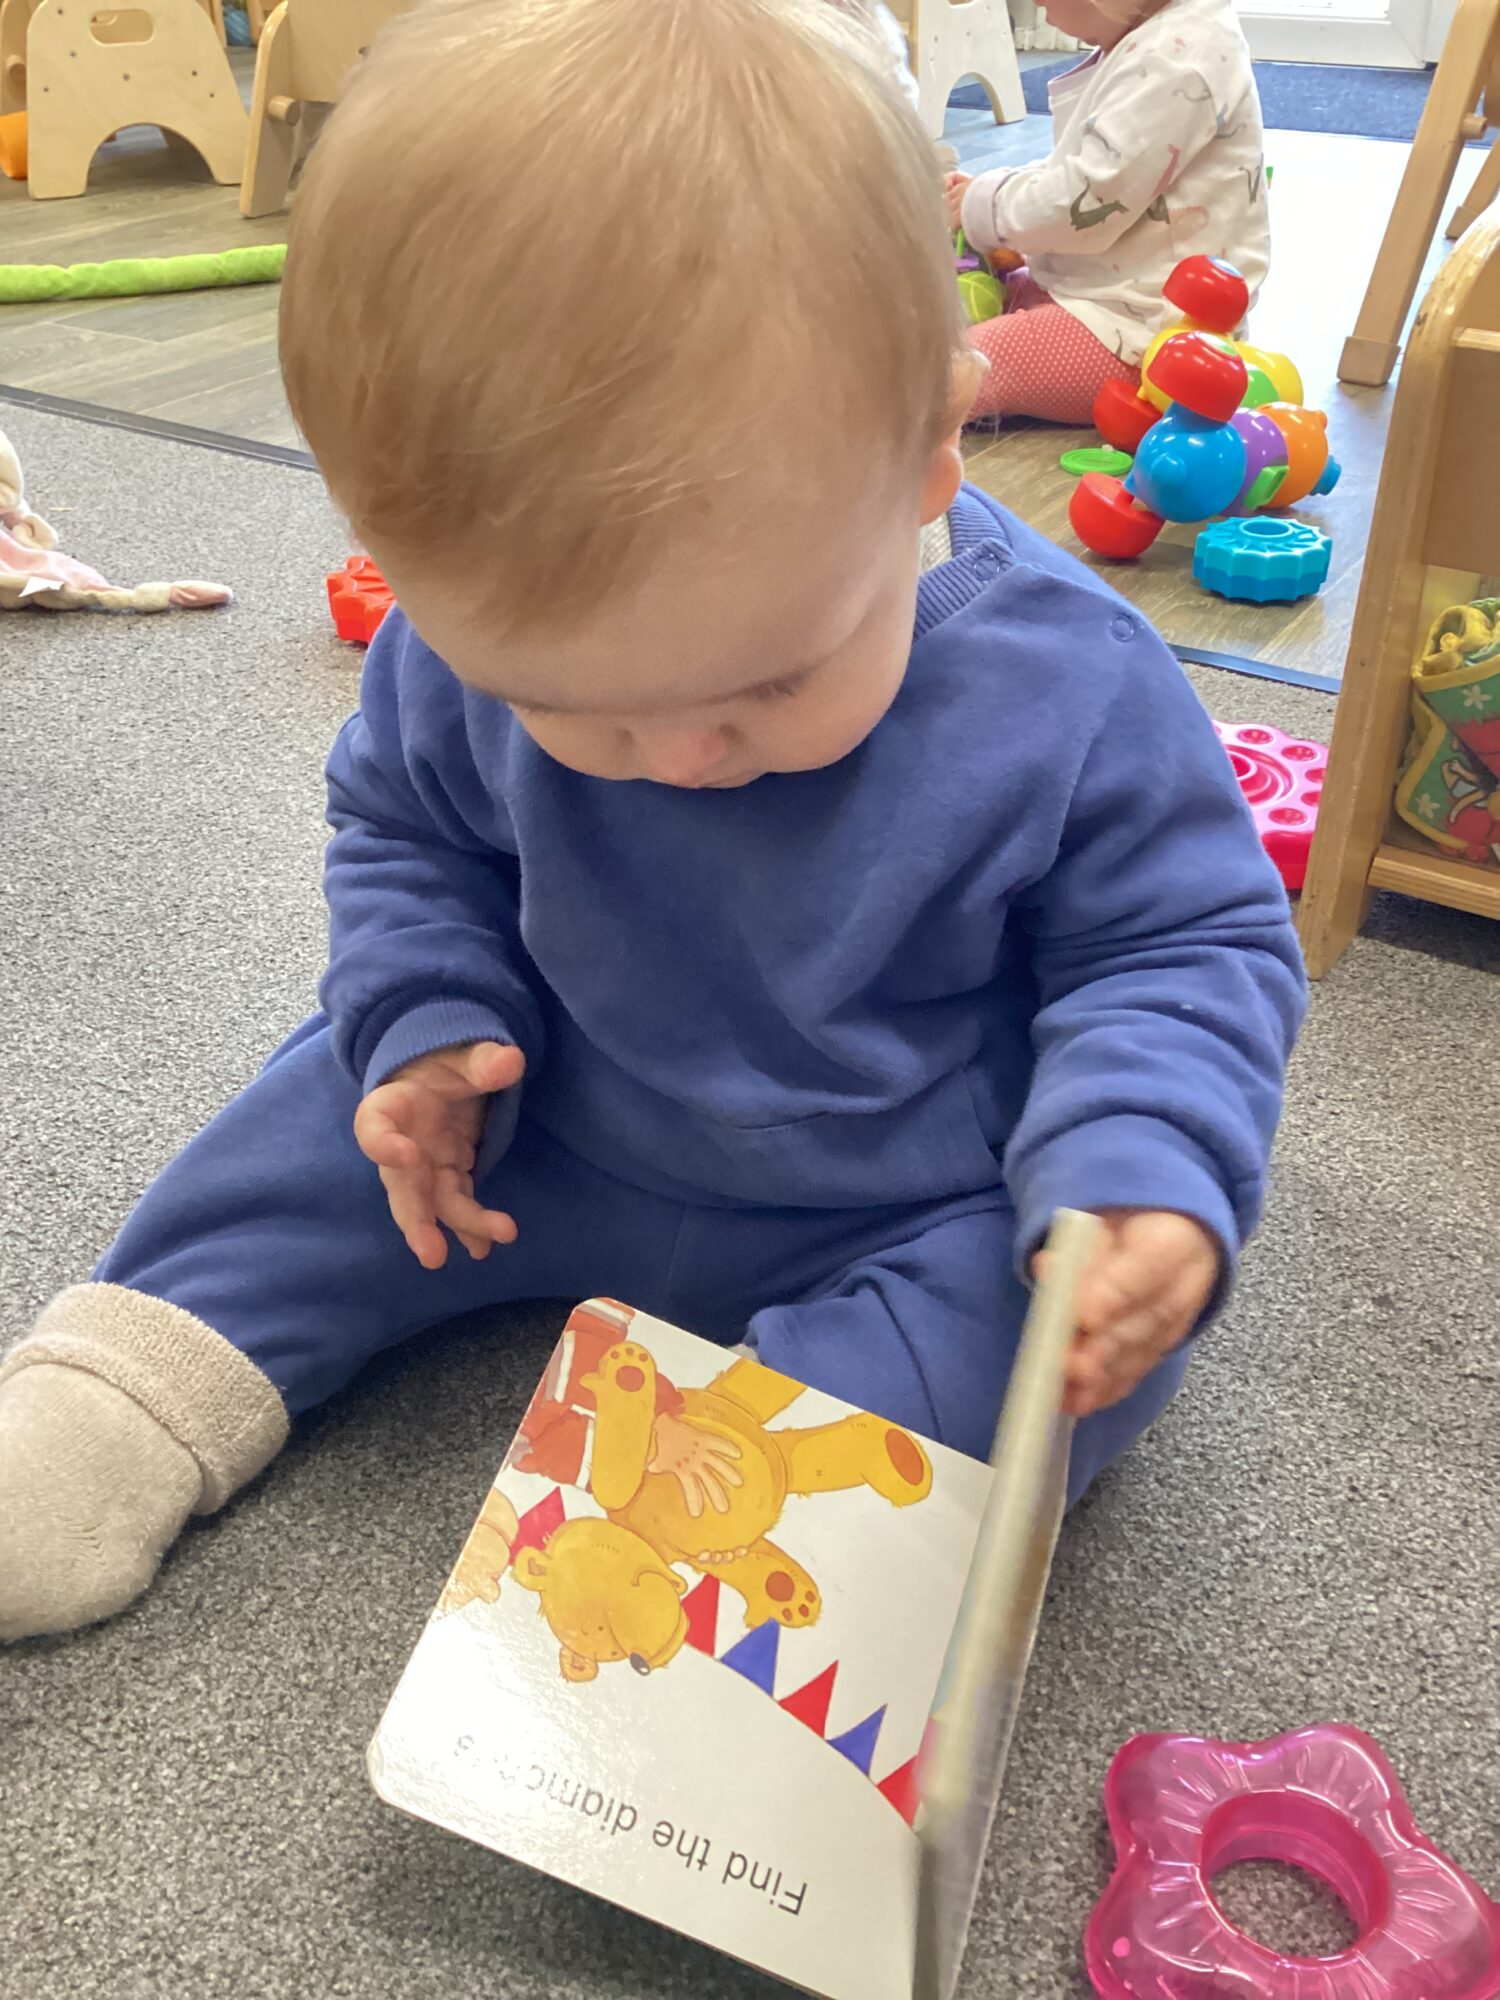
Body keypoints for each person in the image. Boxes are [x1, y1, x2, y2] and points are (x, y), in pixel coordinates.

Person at [0, 0, 1304, 1644]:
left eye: (768, 683)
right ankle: (134, 1378)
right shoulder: (460, 641)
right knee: (326, 1117)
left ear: (932, 451)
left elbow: (1182, 945)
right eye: (576, 707)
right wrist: (423, 1029)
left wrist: (1136, 1166)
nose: (679, 756)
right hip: (545, 1108)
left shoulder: (1076, 684)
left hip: (909, 1185)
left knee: (1055, 1340)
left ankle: (723, 1529)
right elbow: (407, 834)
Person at [945, 0, 1269, 423]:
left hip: (1144, 340)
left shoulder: (1177, 59)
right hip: (1103, 301)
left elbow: (1082, 204)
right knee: (940, 312)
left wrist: (983, 205)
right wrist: (989, 193)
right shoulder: (1162, 38)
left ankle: (869, 418)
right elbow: (1082, 165)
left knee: (953, 369)